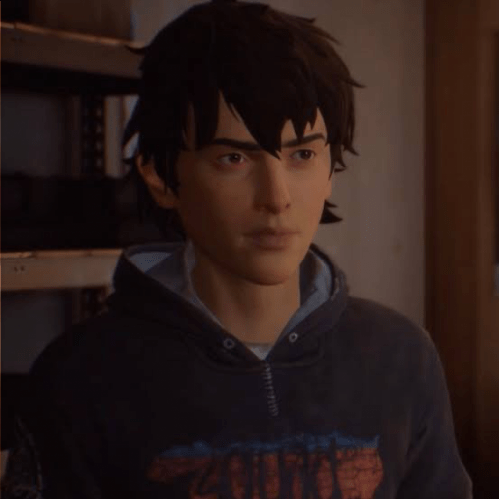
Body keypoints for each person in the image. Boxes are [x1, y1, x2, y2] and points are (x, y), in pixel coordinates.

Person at [2, 1, 473, 498]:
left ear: (331, 169)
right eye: (233, 158)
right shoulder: (81, 378)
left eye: (302, 154)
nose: (276, 198)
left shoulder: (400, 358)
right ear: (161, 176)